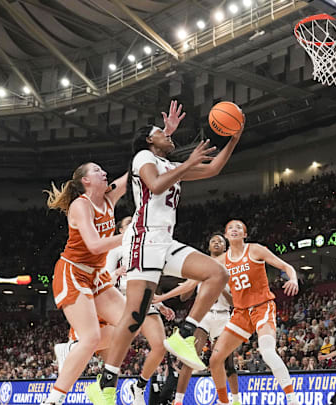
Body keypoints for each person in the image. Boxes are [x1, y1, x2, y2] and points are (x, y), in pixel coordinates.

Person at [86, 101, 242, 405]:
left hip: (165, 241)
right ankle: (105, 384)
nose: (170, 137)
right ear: (149, 140)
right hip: (143, 240)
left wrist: (234, 137)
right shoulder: (143, 157)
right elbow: (155, 186)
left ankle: (184, 333)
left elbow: (212, 168)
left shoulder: (170, 164)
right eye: (162, 133)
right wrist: (186, 163)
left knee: (217, 273)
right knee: (134, 316)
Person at [54, 217, 177, 405]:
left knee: (157, 346)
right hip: (114, 300)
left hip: (141, 301)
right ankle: (79, 356)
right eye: (129, 223)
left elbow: (149, 282)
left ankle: (133, 388)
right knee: (112, 357)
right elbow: (100, 282)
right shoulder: (113, 250)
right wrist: (117, 273)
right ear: (121, 230)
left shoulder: (146, 249)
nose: (134, 225)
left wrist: (159, 304)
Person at [42, 160, 130, 405]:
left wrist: (158, 139)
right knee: (90, 338)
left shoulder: (109, 198)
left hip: (96, 274)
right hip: (73, 273)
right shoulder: (80, 205)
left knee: (130, 323)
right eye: (97, 170)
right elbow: (93, 245)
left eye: (103, 169)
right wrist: (129, 237)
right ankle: (54, 400)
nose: (104, 172)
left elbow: (135, 172)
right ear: (85, 181)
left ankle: (74, 354)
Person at [208, 219, 300, 405]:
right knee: (215, 359)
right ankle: (224, 402)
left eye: (239, 228)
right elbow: (193, 279)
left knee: (266, 351)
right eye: (230, 228)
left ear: (245, 234)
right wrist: (163, 297)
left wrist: (294, 279)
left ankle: (292, 399)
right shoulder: (221, 260)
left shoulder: (255, 249)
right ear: (226, 236)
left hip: (262, 307)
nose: (234, 229)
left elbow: (286, 267)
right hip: (240, 314)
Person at [152, 233, 241, 405]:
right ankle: (178, 401)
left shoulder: (230, 269)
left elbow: (235, 302)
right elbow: (185, 297)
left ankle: (235, 401)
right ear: (208, 247)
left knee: (228, 363)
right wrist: (188, 284)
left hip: (224, 316)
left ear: (225, 247)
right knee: (190, 357)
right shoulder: (202, 266)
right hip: (205, 316)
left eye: (220, 242)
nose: (217, 243)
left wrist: (218, 284)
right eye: (213, 241)